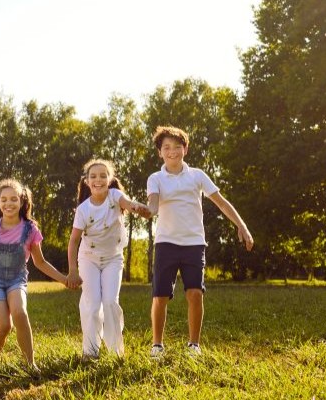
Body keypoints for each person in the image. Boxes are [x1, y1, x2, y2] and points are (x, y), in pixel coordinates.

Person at [146, 126, 254, 358]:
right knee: (160, 295)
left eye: (177, 147)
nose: (172, 151)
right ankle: (157, 345)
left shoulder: (197, 175)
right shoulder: (155, 178)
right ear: (160, 152)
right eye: (166, 147)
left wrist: (241, 225)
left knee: (195, 293)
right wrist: (145, 211)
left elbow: (222, 202)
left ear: (185, 149)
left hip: (194, 244)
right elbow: (153, 205)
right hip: (166, 243)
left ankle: (193, 345)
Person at [0, 179, 70, 375]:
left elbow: (40, 262)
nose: (8, 204)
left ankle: (30, 364)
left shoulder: (30, 230)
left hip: (16, 280)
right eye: (3, 199)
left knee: (20, 313)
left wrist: (64, 279)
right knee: (5, 324)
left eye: (13, 199)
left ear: (22, 202)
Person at [66, 159, 150, 361]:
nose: (98, 179)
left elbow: (128, 204)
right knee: (93, 304)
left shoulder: (115, 196)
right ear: (87, 181)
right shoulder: (83, 209)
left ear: (110, 179)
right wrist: (72, 271)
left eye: (103, 175)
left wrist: (138, 208)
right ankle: (90, 351)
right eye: (93, 176)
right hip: (89, 259)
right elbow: (74, 242)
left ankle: (115, 352)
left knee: (110, 302)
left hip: (113, 258)